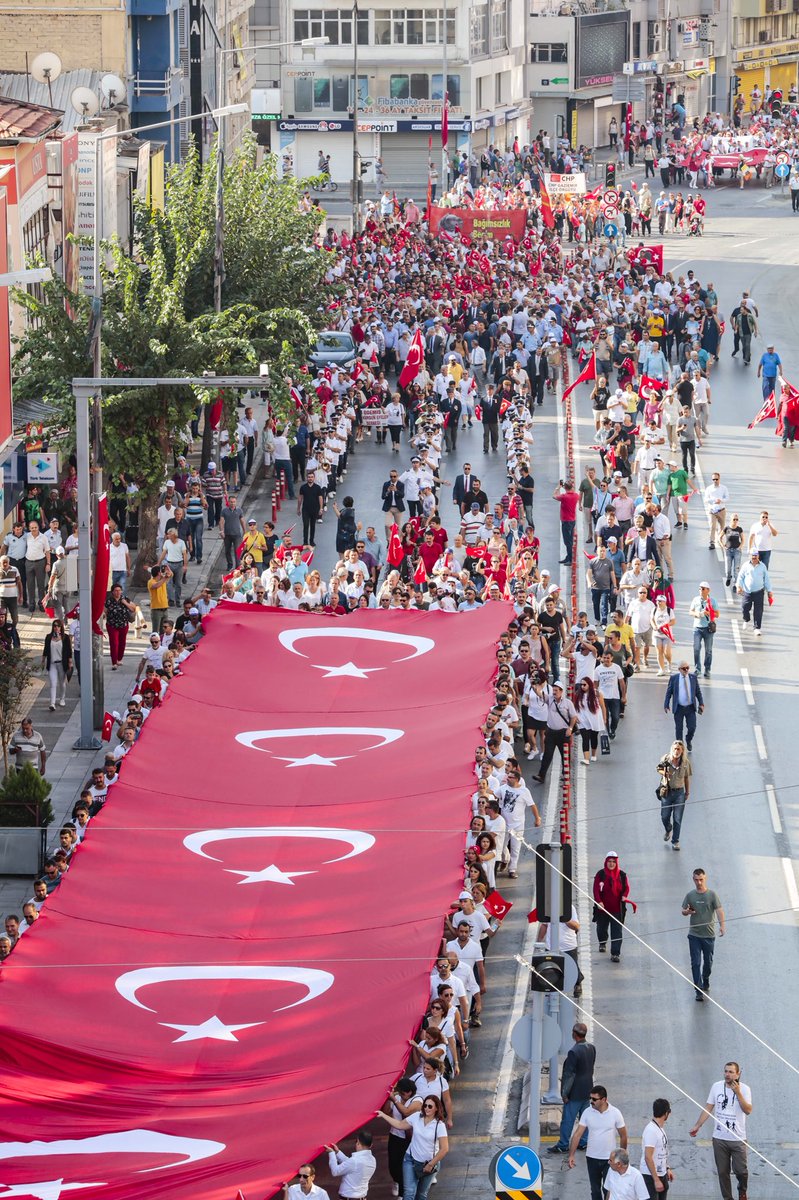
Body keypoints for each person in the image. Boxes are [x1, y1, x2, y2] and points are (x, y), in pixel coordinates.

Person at [689, 1063, 752, 1200]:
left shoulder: (745, 1089)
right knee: (723, 1172)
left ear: (738, 1074)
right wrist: (698, 1125)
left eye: (731, 1072)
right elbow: (708, 1107)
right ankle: (727, 1198)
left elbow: (748, 1110)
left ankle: (742, 1191)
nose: (727, 1074)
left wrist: (738, 1093)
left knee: (741, 1171)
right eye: (725, 1071)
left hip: (738, 1139)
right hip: (719, 1139)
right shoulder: (716, 1087)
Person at [375, 1095, 449, 1200]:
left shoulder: (439, 1125)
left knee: (421, 1195)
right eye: (425, 1105)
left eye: (430, 1106)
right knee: (409, 1192)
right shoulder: (417, 1117)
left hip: (429, 1164)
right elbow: (400, 1125)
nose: (426, 1108)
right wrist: (383, 1115)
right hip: (410, 1160)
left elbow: (444, 1148)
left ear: (436, 1108)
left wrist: (431, 1164)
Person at [567, 1084, 628, 1200]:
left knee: (608, 1190)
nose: (591, 1101)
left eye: (594, 1099)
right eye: (590, 1098)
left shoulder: (615, 1113)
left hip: (610, 1160)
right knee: (595, 1190)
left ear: (604, 1099)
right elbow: (577, 1134)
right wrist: (571, 1155)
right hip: (592, 1158)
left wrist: (622, 1156)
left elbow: (623, 1135)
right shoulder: (587, 1112)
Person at [549, 1022, 596, 1153]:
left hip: (575, 1093)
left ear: (574, 1034)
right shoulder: (591, 1048)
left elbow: (569, 1075)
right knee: (585, 1118)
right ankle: (583, 1142)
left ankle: (563, 1144)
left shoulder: (573, 1052)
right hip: (588, 1090)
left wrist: (565, 1094)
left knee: (568, 1121)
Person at [682, 867, 725, 1001]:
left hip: (708, 935)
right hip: (694, 935)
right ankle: (698, 990)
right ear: (693, 879)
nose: (699, 882)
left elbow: (719, 910)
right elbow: (683, 911)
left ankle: (705, 978)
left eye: (701, 879)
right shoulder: (690, 895)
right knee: (695, 963)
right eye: (696, 880)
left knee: (708, 963)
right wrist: (687, 912)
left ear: (705, 878)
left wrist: (722, 926)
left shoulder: (712, 895)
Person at [592, 852, 630, 961]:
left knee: (617, 932)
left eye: (614, 862)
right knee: (601, 928)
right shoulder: (600, 874)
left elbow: (626, 887)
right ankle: (602, 942)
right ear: (606, 862)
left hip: (617, 909)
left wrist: (624, 896)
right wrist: (599, 902)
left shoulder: (622, 875)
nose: (611, 864)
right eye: (609, 861)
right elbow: (596, 889)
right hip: (602, 909)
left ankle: (615, 953)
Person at [656, 740, 691, 850]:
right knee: (664, 816)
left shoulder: (685, 763)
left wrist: (687, 792)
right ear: (672, 749)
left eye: (678, 749)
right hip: (667, 792)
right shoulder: (666, 759)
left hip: (679, 794)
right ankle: (668, 829)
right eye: (675, 749)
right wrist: (665, 773)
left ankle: (675, 841)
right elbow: (658, 769)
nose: (676, 751)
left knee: (677, 819)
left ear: (682, 751)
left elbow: (686, 778)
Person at [663, 662, 704, 752]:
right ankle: (680, 749)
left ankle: (688, 739)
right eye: (684, 668)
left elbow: (698, 692)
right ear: (679, 669)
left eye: (687, 668)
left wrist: (701, 703)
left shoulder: (693, 678)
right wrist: (666, 704)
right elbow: (669, 692)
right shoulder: (674, 678)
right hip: (679, 708)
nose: (686, 670)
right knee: (679, 729)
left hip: (690, 708)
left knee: (692, 727)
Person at [325, 1131, 377, 1200]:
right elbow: (350, 1165)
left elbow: (335, 1171)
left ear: (358, 1143)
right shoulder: (372, 1159)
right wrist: (338, 1152)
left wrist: (331, 1153)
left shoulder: (354, 1161)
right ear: (371, 1145)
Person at [640, 1099, 673, 1198]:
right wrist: (656, 1180)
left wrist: (666, 1168)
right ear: (666, 1113)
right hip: (650, 1176)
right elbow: (648, 1157)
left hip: (661, 1174)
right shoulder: (651, 1131)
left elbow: (661, 1151)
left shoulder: (659, 1128)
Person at [735, 550, 772, 637]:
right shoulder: (745, 565)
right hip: (747, 592)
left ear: (758, 556)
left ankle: (757, 628)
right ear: (750, 556)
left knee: (758, 611)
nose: (754, 558)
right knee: (745, 607)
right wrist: (738, 586)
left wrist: (769, 591)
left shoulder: (762, 566)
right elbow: (740, 577)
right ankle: (746, 619)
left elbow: (766, 579)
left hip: (759, 592)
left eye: (755, 556)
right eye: (752, 556)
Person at [41, 618, 72, 711]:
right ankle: (52, 703)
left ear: (61, 627)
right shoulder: (49, 637)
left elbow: (69, 650)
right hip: (52, 664)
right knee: (53, 683)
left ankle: (62, 698)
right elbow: (46, 649)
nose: (56, 628)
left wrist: (70, 662)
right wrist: (43, 660)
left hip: (62, 664)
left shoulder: (65, 638)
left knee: (62, 683)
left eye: (58, 626)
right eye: (54, 626)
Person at [104, 584, 137, 670]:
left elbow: (133, 608)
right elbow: (105, 611)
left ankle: (119, 659)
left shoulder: (125, 598)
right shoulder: (109, 601)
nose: (118, 592)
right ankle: (114, 662)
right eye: (116, 590)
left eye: (119, 590)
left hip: (123, 624)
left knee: (122, 643)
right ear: (112, 592)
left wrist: (125, 603)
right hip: (112, 625)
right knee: (114, 643)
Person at [688, 582, 718, 678]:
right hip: (697, 628)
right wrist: (699, 614)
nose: (701, 590)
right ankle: (697, 669)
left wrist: (709, 612)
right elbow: (690, 612)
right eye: (700, 588)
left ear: (708, 590)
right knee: (696, 649)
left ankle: (707, 669)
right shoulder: (695, 599)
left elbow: (717, 614)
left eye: (703, 588)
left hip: (708, 628)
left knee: (708, 650)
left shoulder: (712, 601)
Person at [553, 480, 580, 565]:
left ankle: (570, 559)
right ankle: (568, 557)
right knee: (570, 539)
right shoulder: (576, 495)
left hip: (565, 521)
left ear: (565, 487)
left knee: (567, 541)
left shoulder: (564, 496)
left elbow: (554, 496)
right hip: (572, 520)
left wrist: (558, 487)